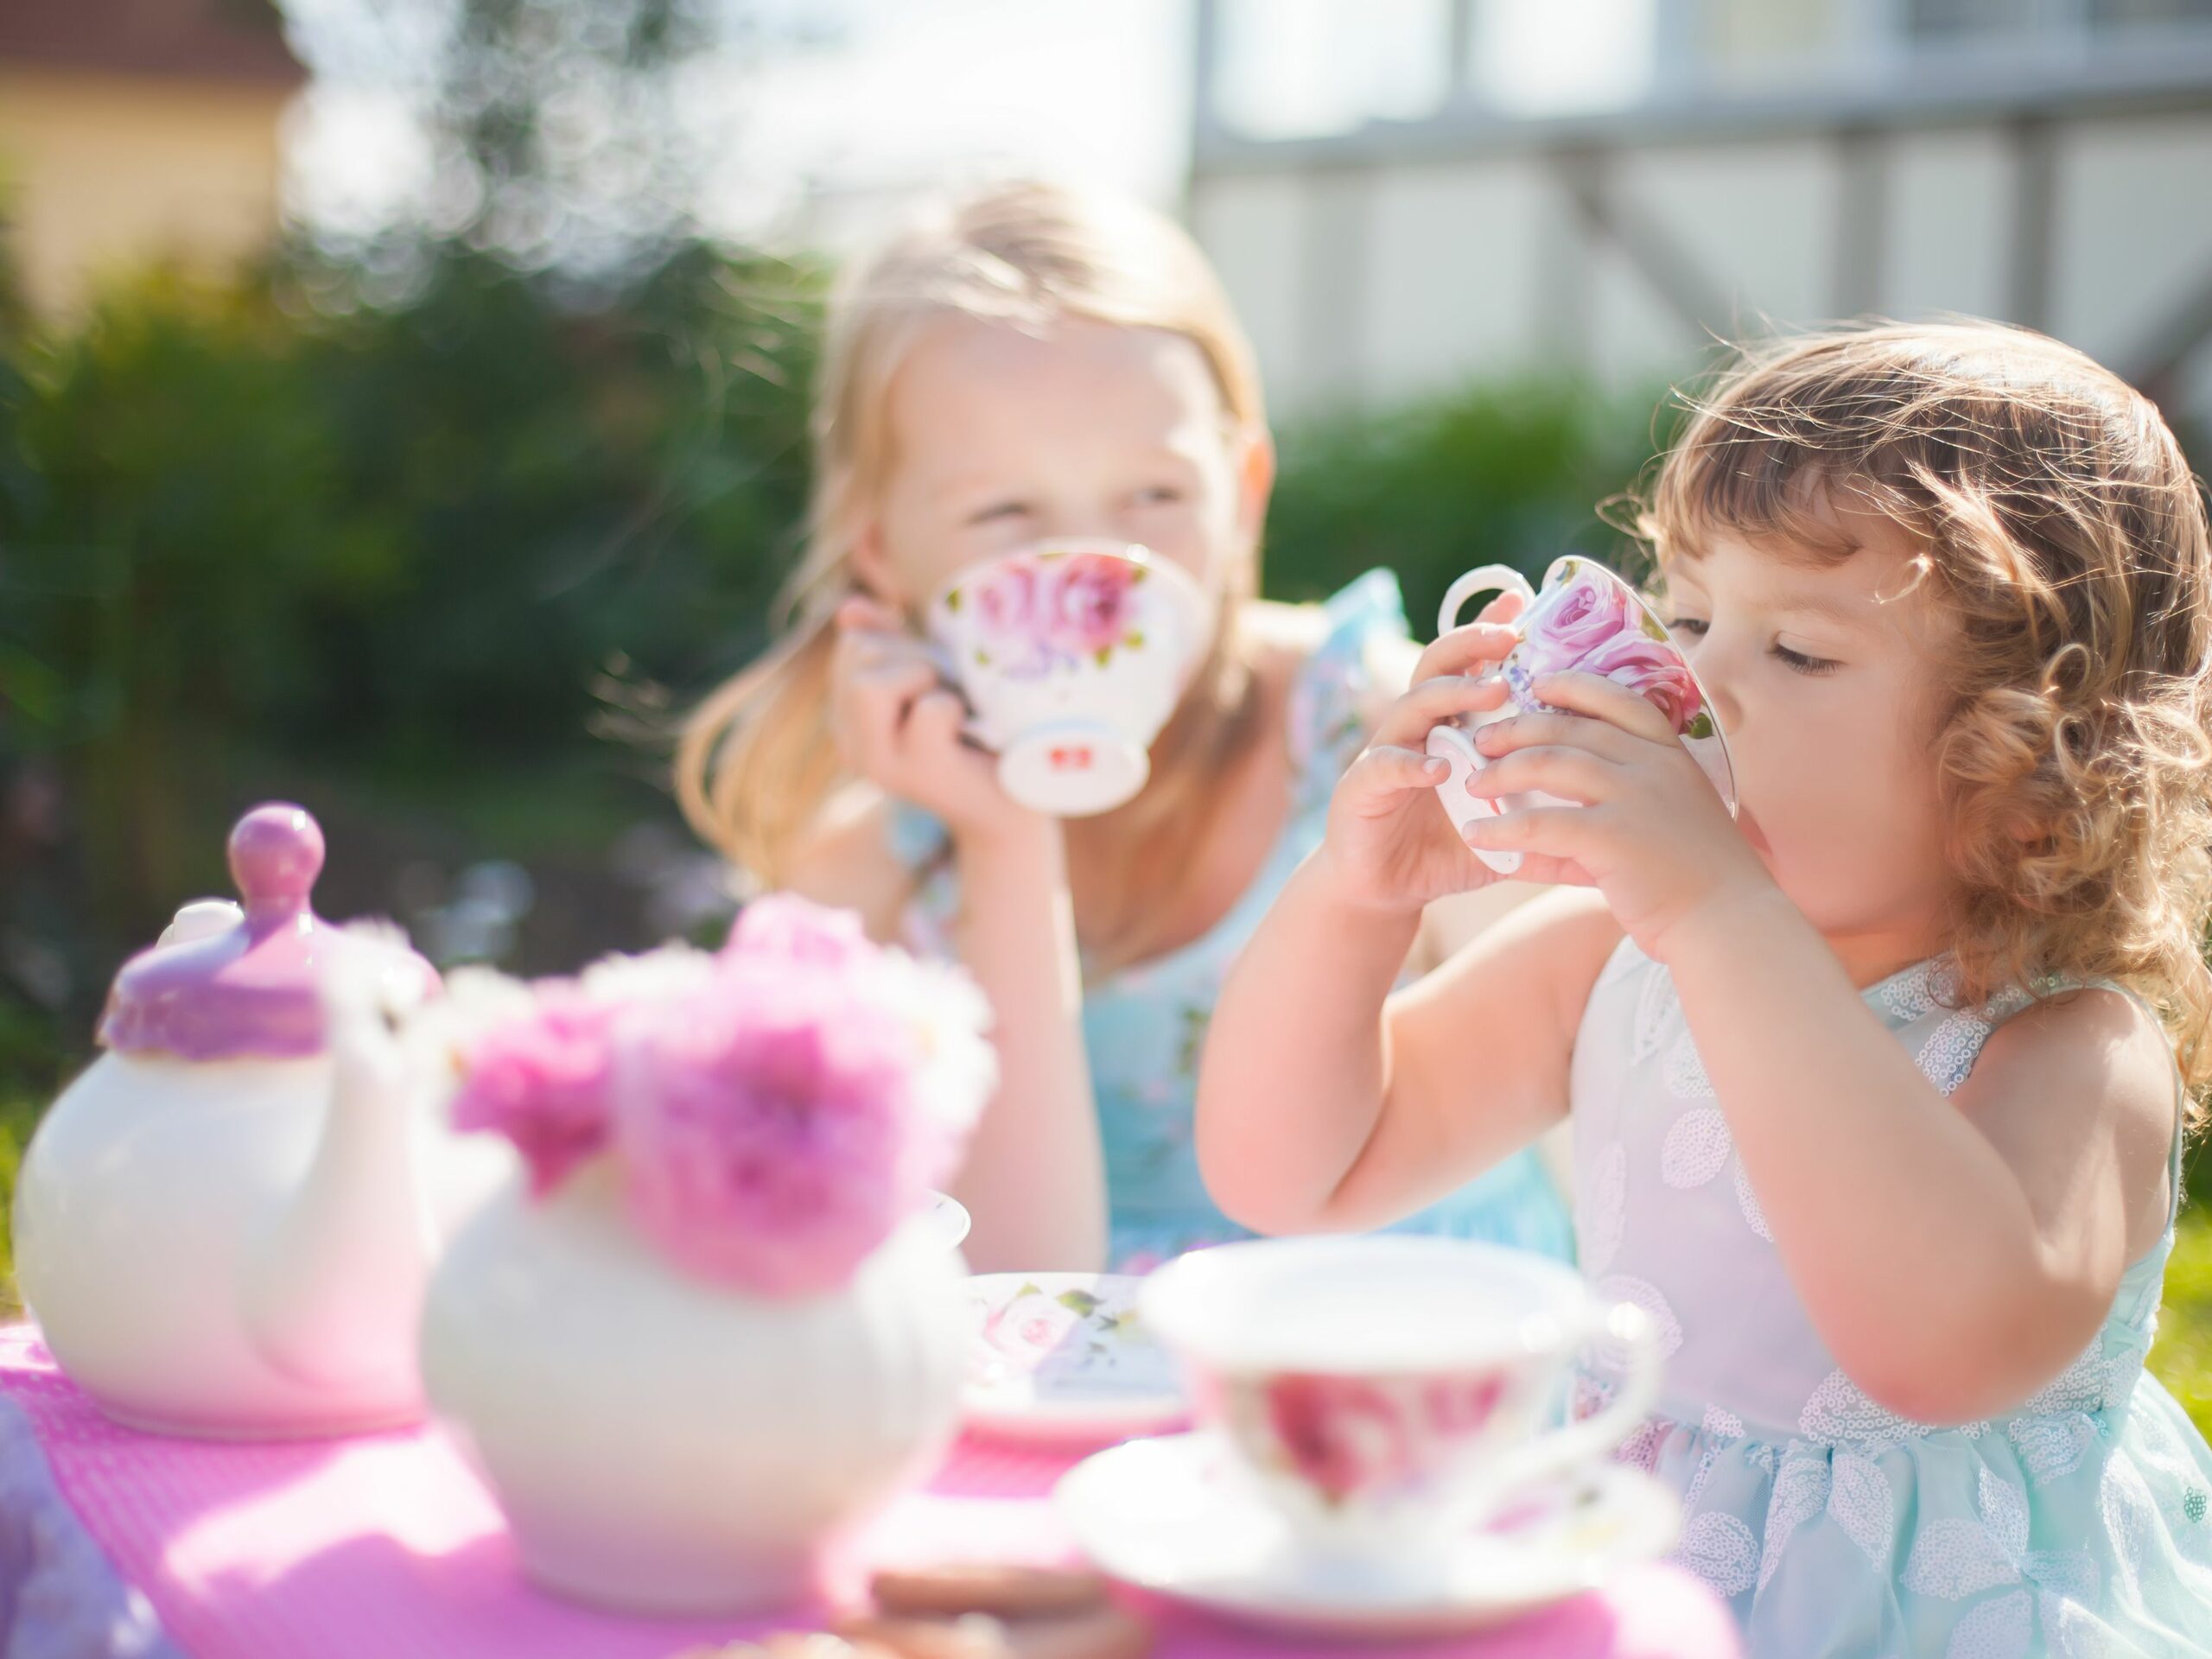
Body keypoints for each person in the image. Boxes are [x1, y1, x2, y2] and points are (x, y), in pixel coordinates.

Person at [1198, 321, 2212, 1655]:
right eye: (1685, 617)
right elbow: (1294, 1175)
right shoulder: (1610, 956)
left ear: (2033, 763)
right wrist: (1354, 898)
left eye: (1797, 653)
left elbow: (1938, 1351)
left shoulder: (2071, 1049)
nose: (1695, 683)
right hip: (1634, 1584)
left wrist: (1721, 914)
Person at [677, 178, 1571, 1272]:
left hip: (1420, 1377)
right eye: (1006, 514)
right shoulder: (875, 873)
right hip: (1083, 1415)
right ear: (878, 549)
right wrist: (1006, 842)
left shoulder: (1395, 747)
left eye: (1153, 497)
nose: (1098, 570)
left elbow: (1596, 1113)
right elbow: (1013, 1290)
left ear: (1242, 495)